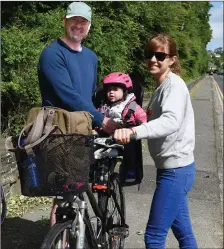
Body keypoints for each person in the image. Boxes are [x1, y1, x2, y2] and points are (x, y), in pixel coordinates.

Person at [37, 2, 119, 226]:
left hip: (84, 129)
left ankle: (76, 234)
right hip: (59, 130)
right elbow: (68, 96)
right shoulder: (52, 54)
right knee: (63, 192)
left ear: (89, 26)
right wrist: (101, 119)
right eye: (74, 20)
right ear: (64, 21)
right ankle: (59, 237)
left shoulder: (91, 57)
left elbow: (89, 94)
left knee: (80, 186)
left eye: (83, 22)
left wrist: (96, 119)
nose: (78, 25)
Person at [113, 34, 198, 249]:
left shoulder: (174, 86)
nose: (153, 59)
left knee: (153, 236)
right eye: (149, 54)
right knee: (184, 234)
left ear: (172, 59)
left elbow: (170, 121)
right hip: (173, 169)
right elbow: (157, 118)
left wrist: (134, 132)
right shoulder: (163, 87)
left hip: (176, 170)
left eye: (160, 55)